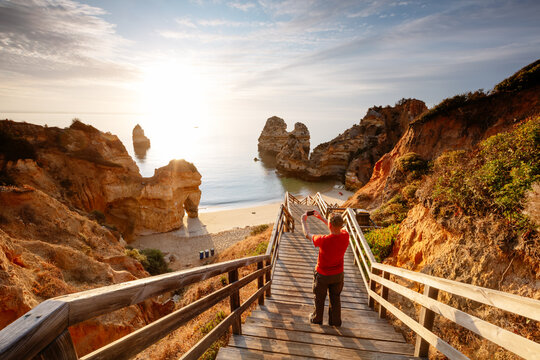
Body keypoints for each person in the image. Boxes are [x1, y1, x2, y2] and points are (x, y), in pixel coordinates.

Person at [301, 210, 349, 326]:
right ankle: (335, 321)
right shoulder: (345, 235)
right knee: (335, 298)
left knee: (319, 298)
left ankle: (317, 318)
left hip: (322, 275)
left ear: (330, 225)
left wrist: (303, 220)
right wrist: (322, 218)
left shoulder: (323, 240)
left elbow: (307, 234)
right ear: (341, 225)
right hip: (338, 275)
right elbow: (336, 228)